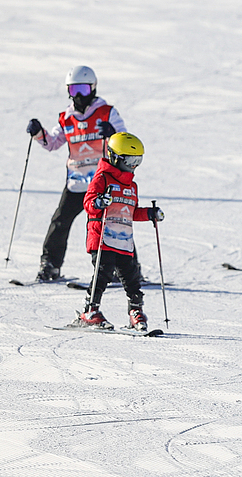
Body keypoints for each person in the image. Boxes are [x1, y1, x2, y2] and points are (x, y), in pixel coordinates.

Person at [26, 66, 125, 282]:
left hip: (102, 182)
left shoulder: (107, 113)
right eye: (73, 90)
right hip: (76, 182)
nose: (78, 95)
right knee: (60, 222)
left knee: (111, 223)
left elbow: (125, 143)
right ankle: (50, 265)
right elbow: (52, 143)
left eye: (82, 89)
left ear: (93, 88)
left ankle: (123, 270)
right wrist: (38, 133)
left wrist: (113, 134)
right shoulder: (66, 118)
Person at [74, 133, 163, 331]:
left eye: (138, 160)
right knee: (103, 273)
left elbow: (131, 212)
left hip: (124, 241)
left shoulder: (131, 186)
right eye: (131, 160)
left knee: (132, 277)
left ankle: (135, 311)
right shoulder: (102, 179)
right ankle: (90, 310)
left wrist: (149, 213)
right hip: (102, 237)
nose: (134, 165)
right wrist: (99, 202)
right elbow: (88, 203)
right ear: (115, 157)